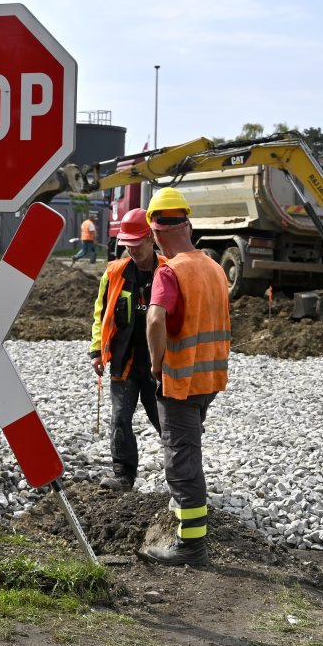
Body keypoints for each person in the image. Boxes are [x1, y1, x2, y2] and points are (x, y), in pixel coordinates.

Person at [140, 187, 230, 567]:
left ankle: (191, 547)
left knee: (182, 460)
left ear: (156, 234)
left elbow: (155, 318)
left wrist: (155, 364)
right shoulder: (214, 267)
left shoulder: (169, 271)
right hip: (208, 379)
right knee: (188, 450)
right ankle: (186, 523)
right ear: (188, 224)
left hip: (179, 381)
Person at [90, 208, 165, 491]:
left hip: (160, 365)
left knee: (165, 420)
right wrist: (97, 350)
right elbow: (101, 314)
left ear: (150, 238)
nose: (131, 250)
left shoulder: (168, 270)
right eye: (127, 245)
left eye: (136, 244)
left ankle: (182, 473)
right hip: (124, 360)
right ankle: (123, 475)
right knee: (120, 418)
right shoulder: (114, 273)